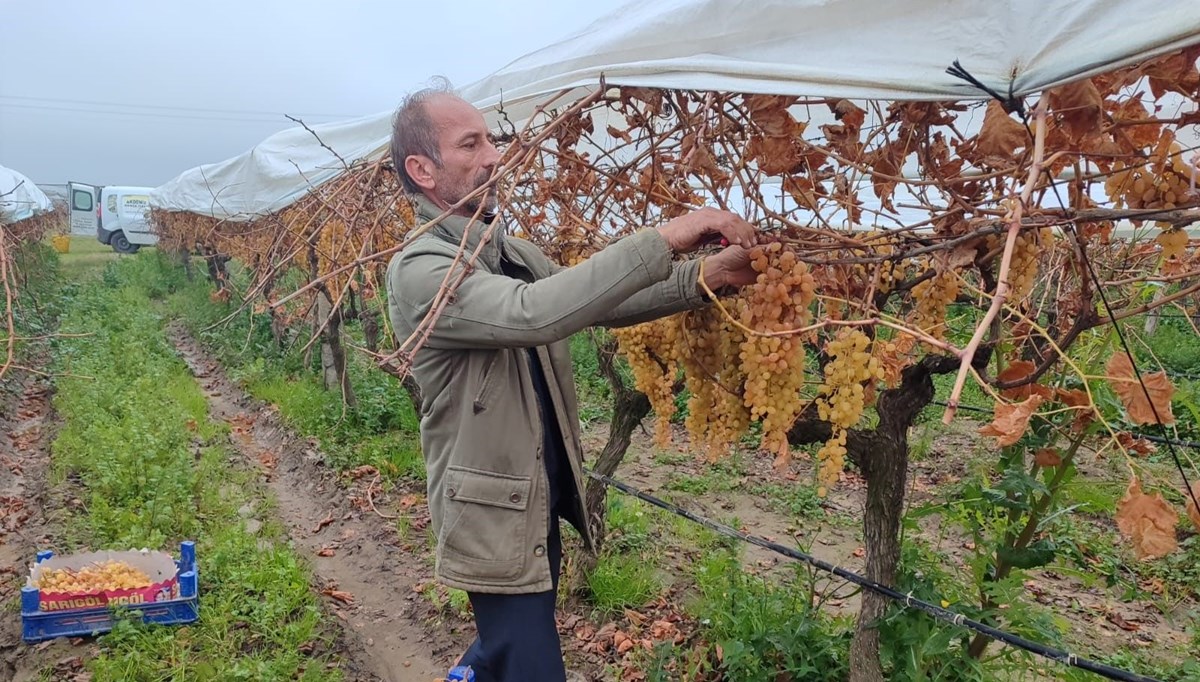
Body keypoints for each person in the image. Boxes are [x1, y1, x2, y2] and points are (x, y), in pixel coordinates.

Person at [385, 80, 760, 682]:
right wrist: (664, 237)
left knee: (507, 650)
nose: (493, 156)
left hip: (535, 500)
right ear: (422, 169)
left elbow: (599, 303)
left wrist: (707, 276)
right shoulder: (421, 269)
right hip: (492, 512)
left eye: (492, 140)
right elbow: (535, 312)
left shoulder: (510, 252)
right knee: (529, 663)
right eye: (471, 144)